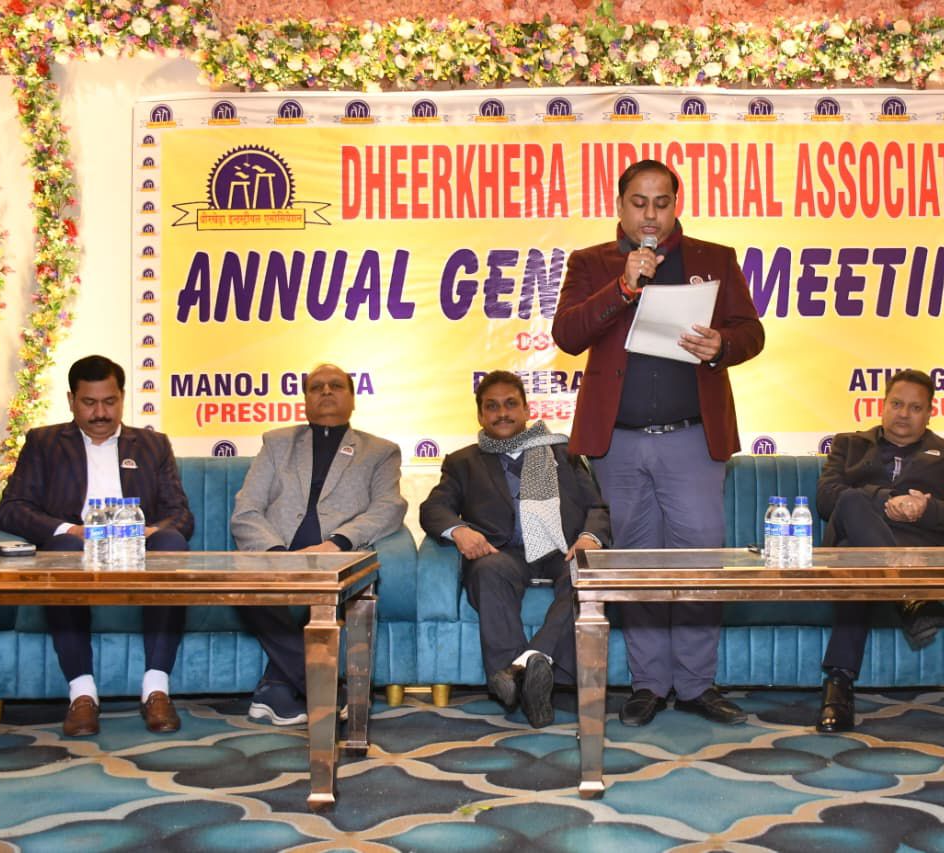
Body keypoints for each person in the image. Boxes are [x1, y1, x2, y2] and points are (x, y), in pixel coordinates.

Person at [552, 159, 765, 727]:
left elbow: (751, 331)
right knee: (636, 564)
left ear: (677, 204)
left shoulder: (714, 259)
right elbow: (567, 334)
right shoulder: (592, 263)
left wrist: (722, 345)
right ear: (620, 205)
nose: (651, 214)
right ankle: (648, 683)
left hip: (691, 438)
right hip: (618, 443)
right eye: (639, 202)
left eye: (662, 202)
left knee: (699, 562)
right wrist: (624, 286)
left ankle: (695, 684)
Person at [0, 355, 194, 737]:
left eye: (110, 402)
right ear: (71, 400)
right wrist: (70, 530)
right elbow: (12, 508)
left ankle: (156, 690)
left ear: (122, 398)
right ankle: (82, 694)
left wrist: (150, 530)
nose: (101, 413)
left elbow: (181, 514)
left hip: (138, 548)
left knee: (172, 542)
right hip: (75, 547)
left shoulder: (152, 444)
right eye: (89, 403)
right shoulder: (44, 443)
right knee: (60, 553)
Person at [420, 371, 612, 727]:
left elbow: (597, 508)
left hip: (561, 550)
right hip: (503, 553)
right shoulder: (463, 462)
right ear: (480, 415)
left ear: (526, 409)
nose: (502, 413)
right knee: (487, 571)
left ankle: (517, 671)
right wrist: (459, 530)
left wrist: (588, 537)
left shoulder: (565, 453)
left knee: (585, 575)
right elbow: (434, 508)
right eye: (492, 407)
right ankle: (533, 680)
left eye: (510, 404)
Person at [814, 369, 944, 733]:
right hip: (854, 536)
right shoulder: (849, 444)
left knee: (861, 563)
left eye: (915, 407)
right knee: (850, 501)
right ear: (882, 405)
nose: (903, 414)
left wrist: (927, 509)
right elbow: (826, 498)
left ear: (930, 412)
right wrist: (887, 500)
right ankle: (909, 595)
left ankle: (838, 687)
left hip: (908, 549)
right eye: (896, 404)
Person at [230, 363, 407, 725]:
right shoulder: (277, 443)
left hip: (336, 557)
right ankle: (326, 690)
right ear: (305, 400)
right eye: (316, 387)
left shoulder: (380, 451)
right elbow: (246, 510)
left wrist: (338, 543)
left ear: (353, 399)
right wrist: (277, 555)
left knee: (331, 585)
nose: (326, 391)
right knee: (243, 580)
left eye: (336, 386)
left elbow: (389, 507)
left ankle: (276, 688)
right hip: (279, 555)